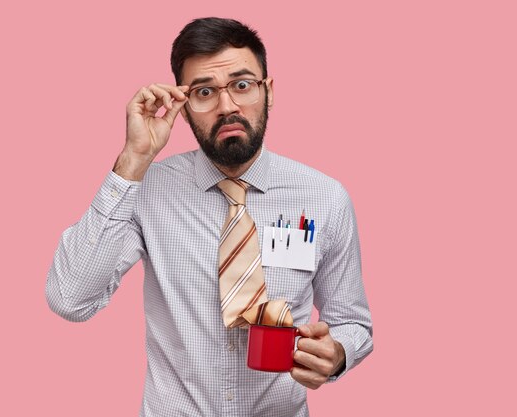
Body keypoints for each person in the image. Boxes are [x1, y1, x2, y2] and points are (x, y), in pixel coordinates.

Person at [46, 17, 373, 417]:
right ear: (183, 108)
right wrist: (132, 162)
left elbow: (352, 322)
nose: (227, 106)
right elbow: (70, 299)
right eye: (204, 92)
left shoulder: (325, 197)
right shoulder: (147, 188)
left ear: (268, 92)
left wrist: (337, 353)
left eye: (242, 85)